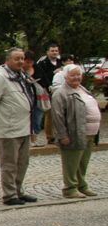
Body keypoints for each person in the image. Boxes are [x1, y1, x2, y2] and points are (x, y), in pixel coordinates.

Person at [0, 48, 37, 206]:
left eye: (22, 58)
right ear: (7, 60)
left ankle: (18, 190)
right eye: (16, 59)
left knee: (22, 163)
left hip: (25, 127)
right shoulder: (0, 78)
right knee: (9, 164)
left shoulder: (22, 75)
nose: (20, 61)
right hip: (8, 129)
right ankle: (9, 194)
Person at [51, 64, 99, 199]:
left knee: (83, 162)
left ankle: (82, 185)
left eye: (79, 74)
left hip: (89, 133)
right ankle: (70, 188)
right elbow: (57, 116)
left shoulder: (83, 89)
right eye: (73, 75)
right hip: (73, 133)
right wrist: (62, 135)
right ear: (65, 76)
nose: (76, 77)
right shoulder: (60, 93)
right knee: (71, 163)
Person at [34, 42, 62, 144]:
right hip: (47, 90)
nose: (54, 53)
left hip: (61, 91)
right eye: (52, 51)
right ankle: (50, 136)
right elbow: (40, 76)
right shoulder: (42, 63)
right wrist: (53, 73)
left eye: (56, 51)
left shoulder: (60, 62)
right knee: (49, 114)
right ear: (47, 52)